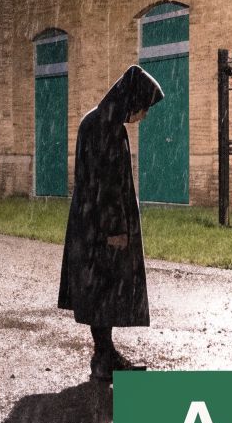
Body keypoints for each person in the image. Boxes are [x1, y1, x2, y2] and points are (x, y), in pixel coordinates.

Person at [58, 65, 165, 382]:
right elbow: (107, 185)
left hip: (89, 222)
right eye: (143, 108)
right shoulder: (107, 128)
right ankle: (105, 358)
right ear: (131, 101)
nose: (143, 116)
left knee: (98, 288)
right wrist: (115, 229)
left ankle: (104, 353)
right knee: (106, 287)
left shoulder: (95, 121)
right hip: (103, 226)